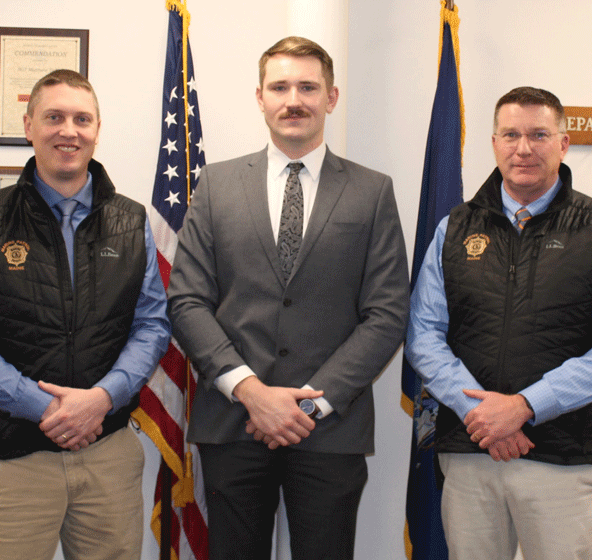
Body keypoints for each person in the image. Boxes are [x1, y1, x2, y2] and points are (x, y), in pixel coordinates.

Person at [167, 36, 410, 560]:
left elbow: (387, 313)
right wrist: (252, 392)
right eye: (279, 87)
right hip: (234, 422)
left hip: (329, 428)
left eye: (307, 86)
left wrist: (312, 402)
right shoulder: (216, 184)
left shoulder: (372, 192)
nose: (292, 99)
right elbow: (187, 301)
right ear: (260, 97)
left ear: (332, 97)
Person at [0, 69, 171, 560]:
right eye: (54, 117)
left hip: (105, 454)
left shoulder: (132, 223)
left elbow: (151, 325)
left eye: (82, 118)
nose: (69, 130)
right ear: (29, 126)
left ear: (97, 128)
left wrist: (102, 399)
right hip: (12, 460)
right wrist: (44, 407)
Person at [405, 86, 592, 559]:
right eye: (511, 134)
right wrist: (483, 416)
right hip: (471, 455)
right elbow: (423, 335)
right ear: (493, 142)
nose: (523, 148)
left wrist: (524, 406)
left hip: (560, 460)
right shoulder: (454, 228)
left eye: (539, 134)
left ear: (563, 143)